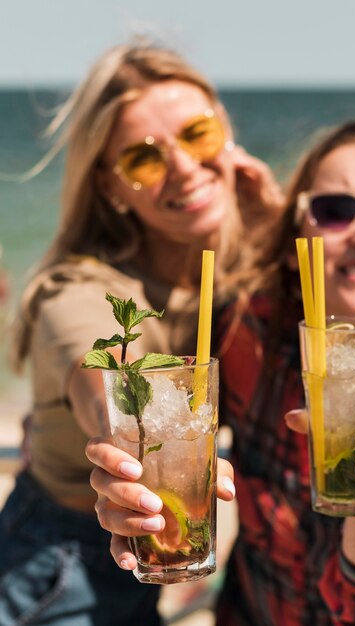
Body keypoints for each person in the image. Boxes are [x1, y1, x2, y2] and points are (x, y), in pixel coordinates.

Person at [88, 118, 355, 625]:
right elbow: (126, 363)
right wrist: (123, 462)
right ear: (294, 240)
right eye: (334, 210)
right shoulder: (246, 339)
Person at [0, 40, 282, 626]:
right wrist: (125, 457)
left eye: (198, 134)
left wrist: (277, 231)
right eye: (144, 159)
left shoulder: (234, 283)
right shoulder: (76, 288)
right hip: (55, 568)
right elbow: (96, 377)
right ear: (109, 187)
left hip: (159, 564)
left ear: (226, 133)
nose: (182, 165)